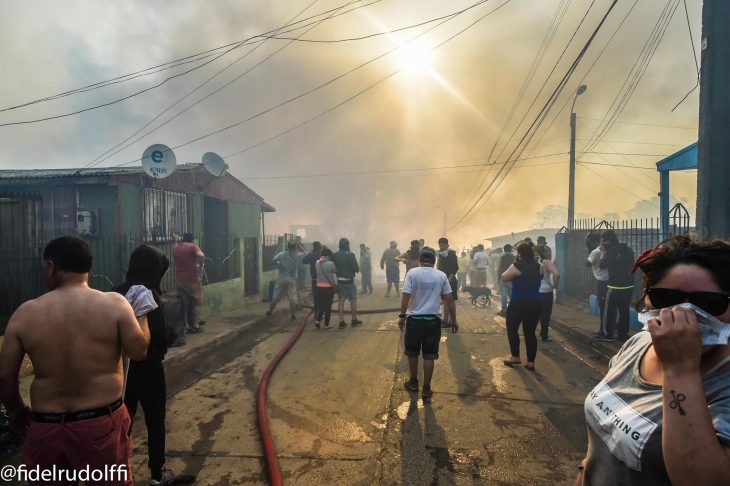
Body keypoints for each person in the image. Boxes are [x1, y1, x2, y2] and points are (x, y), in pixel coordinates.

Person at [576, 236, 730, 485]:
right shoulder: (638, 344)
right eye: (665, 298)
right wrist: (585, 468)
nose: (682, 314)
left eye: (707, 303)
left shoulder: (723, 383)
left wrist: (680, 370)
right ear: (647, 298)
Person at [0, 237, 149, 485]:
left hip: (46, 427)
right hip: (100, 426)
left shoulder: (25, 313)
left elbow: (5, 376)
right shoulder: (114, 304)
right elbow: (139, 350)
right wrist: (142, 314)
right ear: (89, 267)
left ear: (51, 267)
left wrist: (16, 412)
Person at [113, 245, 192, 486]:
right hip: (149, 368)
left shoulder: (115, 293)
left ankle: (120, 473)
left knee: (122, 423)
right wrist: (170, 333)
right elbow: (157, 334)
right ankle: (158, 473)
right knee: (155, 420)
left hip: (121, 371)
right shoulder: (149, 294)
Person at [398, 246, 457, 402]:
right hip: (432, 321)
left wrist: (402, 316)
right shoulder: (441, 275)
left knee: (412, 353)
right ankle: (426, 389)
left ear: (419, 260)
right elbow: (449, 299)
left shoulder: (412, 273)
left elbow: (405, 296)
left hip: (414, 320)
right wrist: (454, 320)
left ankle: (413, 382)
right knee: (429, 356)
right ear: (434, 260)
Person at [500, 241, 542, 371]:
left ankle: (515, 357)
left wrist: (514, 262)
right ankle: (531, 362)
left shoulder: (516, 266)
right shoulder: (539, 266)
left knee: (512, 329)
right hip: (535, 303)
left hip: (518, 303)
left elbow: (504, 277)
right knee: (530, 333)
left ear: (520, 253)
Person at [597, 229, 636, 341]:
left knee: (608, 311)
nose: (602, 243)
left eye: (603, 241)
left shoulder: (611, 251)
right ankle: (622, 334)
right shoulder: (627, 249)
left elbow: (602, 264)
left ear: (608, 241)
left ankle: (606, 334)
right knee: (624, 311)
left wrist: (603, 252)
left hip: (615, 286)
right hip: (629, 285)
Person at [173, 233, 205, 334]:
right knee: (197, 301)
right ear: (191, 240)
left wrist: (175, 240)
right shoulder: (192, 247)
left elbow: (175, 245)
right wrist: (200, 266)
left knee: (183, 302)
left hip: (179, 280)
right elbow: (201, 255)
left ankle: (185, 325)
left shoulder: (176, 248)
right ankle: (195, 325)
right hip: (192, 279)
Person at [266, 239, 306, 320]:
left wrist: (280, 264)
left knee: (276, 296)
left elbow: (273, 261)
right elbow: (306, 253)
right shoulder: (297, 255)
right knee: (292, 298)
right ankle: (293, 315)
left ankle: (270, 311)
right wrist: (299, 244)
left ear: (287, 246)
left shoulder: (281, 254)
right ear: (295, 247)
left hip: (281, 279)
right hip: (291, 280)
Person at [333, 237, 362, 329]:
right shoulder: (350, 254)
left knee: (341, 301)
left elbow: (333, 268)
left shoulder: (335, 255)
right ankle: (354, 320)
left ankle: (341, 321)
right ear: (347, 245)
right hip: (349, 282)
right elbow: (357, 269)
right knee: (353, 300)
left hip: (340, 282)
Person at [585, 231, 609, 335]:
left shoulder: (595, 251)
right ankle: (610, 326)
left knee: (602, 306)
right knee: (608, 306)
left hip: (602, 281)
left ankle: (602, 330)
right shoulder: (605, 249)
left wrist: (589, 253)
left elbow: (587, 263)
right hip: (609, 279)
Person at [536, 244, 560, 342]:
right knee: (545, 314)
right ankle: (544, 335)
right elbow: (557, 274)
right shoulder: (546, 262)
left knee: (536, 314)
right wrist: (554, 285)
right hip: (546, 291)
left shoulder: (534, 261)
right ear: (545, 252)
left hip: (535, 291)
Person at [436, 237, 459, 327]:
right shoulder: (441, 254)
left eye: (443, 245)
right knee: (445, 300)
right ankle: (445, 320)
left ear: (447, 245)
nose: (442, 247)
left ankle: (451, 320)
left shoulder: (452, 254)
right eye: (440, 245)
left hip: (450, 280)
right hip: (443, 280)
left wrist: (448, 280)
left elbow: (455, 269)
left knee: (451, 300)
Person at [314, 247, 337, 329]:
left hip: (319, 286)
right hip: (328, 287)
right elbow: (335, 271)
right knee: (328, 306)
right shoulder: (331, 264)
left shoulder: (317, 263)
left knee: (321, 305)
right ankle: (326, 324)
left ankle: (317, 320)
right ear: (328, 255)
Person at [302, 241, 322, 325]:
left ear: (313, 247)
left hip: (314, 280)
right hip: (323, 280)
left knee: (316, 297)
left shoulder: (312, 255)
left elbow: (304, 260)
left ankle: (316, 314)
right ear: (320, 247)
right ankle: (321, 314)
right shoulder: (322, 255)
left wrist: (310, 253)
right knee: (323, 297)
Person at [497, 244, 515, 317]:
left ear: (504, 250)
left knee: (503, 295)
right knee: (511, 295)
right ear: (510, 249)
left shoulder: (502, 257)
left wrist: (498, 278)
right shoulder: (514, 257)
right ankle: (513, 310)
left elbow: (499, 268)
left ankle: (504, 310)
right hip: (512, 278)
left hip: (503, 278)